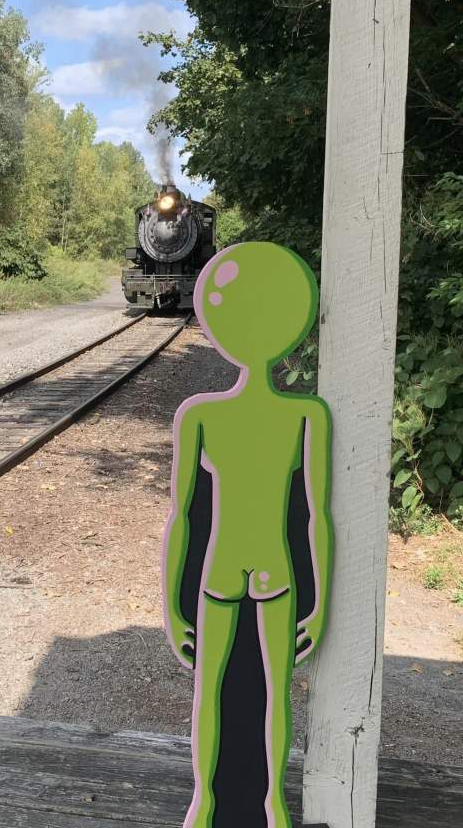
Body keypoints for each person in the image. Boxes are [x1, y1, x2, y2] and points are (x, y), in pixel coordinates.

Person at [163, 242, 333, 828]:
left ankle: (212, 802)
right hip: (276, 570)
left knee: (211, 692)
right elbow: (315, 516)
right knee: (272, 693)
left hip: (218, 571)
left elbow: (181, 517)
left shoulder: (201, 415)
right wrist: (318, 599)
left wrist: (174, 603)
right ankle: (269, 805)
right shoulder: (303, 415)